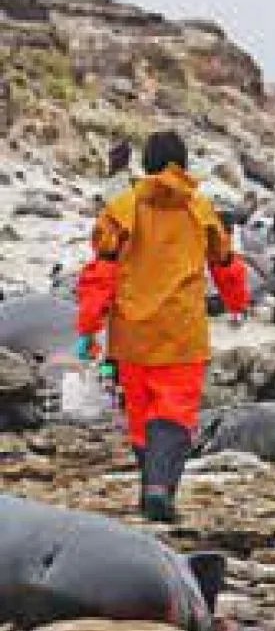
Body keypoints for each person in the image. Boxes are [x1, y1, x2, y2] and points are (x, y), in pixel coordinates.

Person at [75, 130, 250, 523]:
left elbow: (100, 271)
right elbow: (224, 263)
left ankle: (149, 488)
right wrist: (238, 303)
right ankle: (159, 489)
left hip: (132, 332)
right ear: (183, 164)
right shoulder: (200, 209)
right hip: (182, 332)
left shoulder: (123, 208)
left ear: (146, 164)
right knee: (174, 411)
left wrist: (88, 326)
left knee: (140, 414)